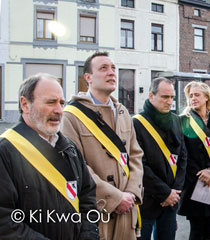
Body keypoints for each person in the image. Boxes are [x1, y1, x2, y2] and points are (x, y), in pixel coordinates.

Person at [0, 74, 98, 239]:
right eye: (51, 102)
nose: (59, 110)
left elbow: (87, 198)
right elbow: (5, 221)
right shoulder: (5, 151)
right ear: (25, 104)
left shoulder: (70, 148)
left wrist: (88, 235)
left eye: (61, 103)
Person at [62, 52, 144, 240]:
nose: (111, 73)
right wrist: (115, 198)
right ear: (88, 78)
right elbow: (77, 165)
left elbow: (136, 156)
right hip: (98, 211)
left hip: (127, 209)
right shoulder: (71, 116)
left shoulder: (123, 112)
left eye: (113, 68)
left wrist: (131, 193)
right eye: (103, 68)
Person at [133, 77, 188, 240]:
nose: (170, 101)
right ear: (151, 96)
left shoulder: (176, 120)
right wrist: (165, 193)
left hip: (170, 202)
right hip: (147, 201)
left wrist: (175, 191)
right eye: (165, 97)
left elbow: (183, 158)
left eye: (172, 97)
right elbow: (139, 165)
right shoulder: (137, 123)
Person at [178, 82, 210, 240]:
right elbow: (183, 153)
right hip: (194, 181)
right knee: (196, 230)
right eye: (191, 95)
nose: (193, 98)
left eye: (197, 95)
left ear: (207, 97)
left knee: (209, 230)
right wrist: (201, 174)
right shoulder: (183, 121)